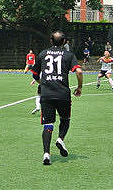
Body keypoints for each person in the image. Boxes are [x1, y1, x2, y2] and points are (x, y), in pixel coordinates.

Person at [31, 31, 83, 165]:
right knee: (65, 119)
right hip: (63, 94)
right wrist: (79, 87)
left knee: (48, 124)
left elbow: (35, 75)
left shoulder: (43, 54)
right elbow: (79, 71)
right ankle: (60, 139)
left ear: (51, 41)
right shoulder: (69, 55)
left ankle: (46, 154)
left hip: (46, 94)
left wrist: (43, 83)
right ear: (64, 42)